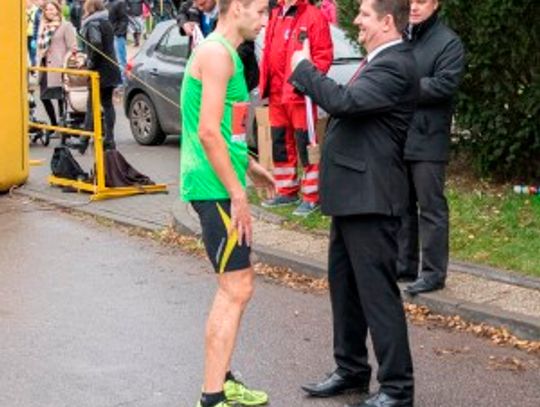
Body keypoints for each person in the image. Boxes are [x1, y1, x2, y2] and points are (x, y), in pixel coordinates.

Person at [289, 0, 418, 406]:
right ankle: (351, 369)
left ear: (387, 21)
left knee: (378, 296)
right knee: (345, 291)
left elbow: (344, 102)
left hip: (371, 198)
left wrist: (304, 68)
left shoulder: (396, 64)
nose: (356, 21)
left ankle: (397, 388)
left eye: (364, 14)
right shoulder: (380, 60)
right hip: (352, 196)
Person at [179, 0, 274, 405]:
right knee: (236, 287)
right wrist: (238, 193)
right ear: (236, 8)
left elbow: (222, 129)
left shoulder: (224, 53)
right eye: (260, 11)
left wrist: (249, 165)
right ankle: (212, 396)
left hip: (217, 181)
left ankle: (224, 379)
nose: (265, 20)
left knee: (236, 285)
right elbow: (207, 133)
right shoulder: (217, 55)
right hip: (214, 187)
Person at [398, 0, 465, 295]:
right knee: (401, 206)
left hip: (429, 138)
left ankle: (433, 273)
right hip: (399, 135)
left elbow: (444, 85)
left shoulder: (448, 42)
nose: (414, 7)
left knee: (431, 208)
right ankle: (404, 266)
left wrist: (402, 86)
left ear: (435, 4)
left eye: (422, 1)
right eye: (410, 1)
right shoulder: (400, 35)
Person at [259, 0, 333, 216]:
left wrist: (306, 83)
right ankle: (286, 190)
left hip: (299, 94)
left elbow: (323, 56)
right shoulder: (276, 13)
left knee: (306, 144)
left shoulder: (314, 16)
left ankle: (312, 195)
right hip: (276, 92)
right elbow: (268, 51)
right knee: (280, 143)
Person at [72, 0, 122, 154]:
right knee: (107, 104)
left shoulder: (93, 23)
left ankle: (84, 140)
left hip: (100, 70)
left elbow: (96, 44)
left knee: (91, 105)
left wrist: (90, 63)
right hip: (111, 67)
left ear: (90, 8)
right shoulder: (105, 21)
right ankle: (109, 139)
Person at [176, 0, 259, 91]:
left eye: (203, 4)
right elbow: (182, 12)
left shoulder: (233, 13)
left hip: (235, 77)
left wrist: (223, 60)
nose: (199, 8)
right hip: (203, 74)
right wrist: (184, 23)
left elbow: (246, 46)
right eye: (196, 4)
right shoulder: (195, 7)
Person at [37, 0, 77, 139]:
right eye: (47, 9)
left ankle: (62, 127)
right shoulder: (43, 25)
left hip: (59, 67)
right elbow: (40, 47)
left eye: (52, 9)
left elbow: (73, 47)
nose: (49, 12)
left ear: (58, 11)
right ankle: (54, 124)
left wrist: (65, 62)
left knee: (61, 98)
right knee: (44, 97)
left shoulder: (65, 25)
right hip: (44, 67)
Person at [107, 0, 129, 84]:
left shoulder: (120, 3)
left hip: (117, 37)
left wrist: (118, 33)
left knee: (120, 60)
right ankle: (116, 81)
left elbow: (124, 19)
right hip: (109, 35)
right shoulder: (107, 3)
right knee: (112, 60)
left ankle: (123, 82)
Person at [26, 0, 40, 66]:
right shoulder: (22, 10)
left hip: (33, 35)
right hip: (25, 35)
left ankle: (33, 66)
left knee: (33, 52)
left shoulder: (36, 10)